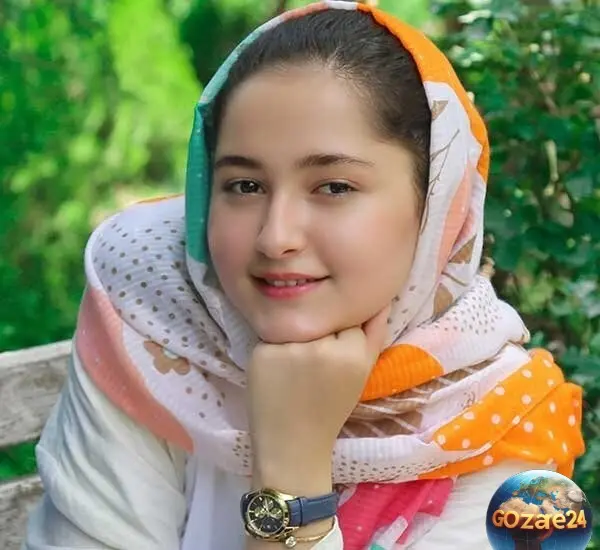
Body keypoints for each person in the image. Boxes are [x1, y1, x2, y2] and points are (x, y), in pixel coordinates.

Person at [24, 2, 585, 549]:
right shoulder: (156, 322)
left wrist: (291, 476)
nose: (275, 237)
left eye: (334, 187)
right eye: (245, 186)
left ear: (436, 207)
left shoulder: (504, 424)